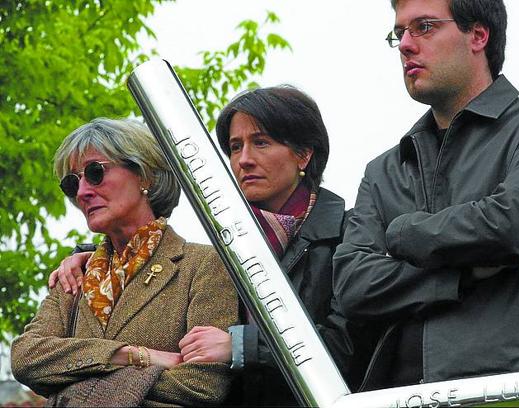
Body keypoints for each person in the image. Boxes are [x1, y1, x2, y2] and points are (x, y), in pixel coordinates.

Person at [49, 87, 364, 405]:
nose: (244, 160)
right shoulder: (227, 243)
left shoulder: (350, 235)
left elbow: (348, 346)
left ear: (304, 154)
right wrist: (96, 258)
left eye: (261, 143)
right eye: (234, 146)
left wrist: (240, 346)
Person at [333, 0, 519, 390]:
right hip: (394, 395)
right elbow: (353, 285)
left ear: (478, 35)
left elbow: (511, 227)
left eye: (425, 27)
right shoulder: (384, 169)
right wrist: (463, 274)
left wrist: (402, 233)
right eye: (399, 32)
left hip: (511, 388)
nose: (405, 44)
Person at [11, 118, 238, 406]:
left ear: (145, 175)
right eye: (72, 182)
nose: (82, 193)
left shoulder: (204, 264)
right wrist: (135, 355)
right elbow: (26, 357)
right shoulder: (76, 273)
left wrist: (75, 388)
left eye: (95, 172)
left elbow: (203, 385)